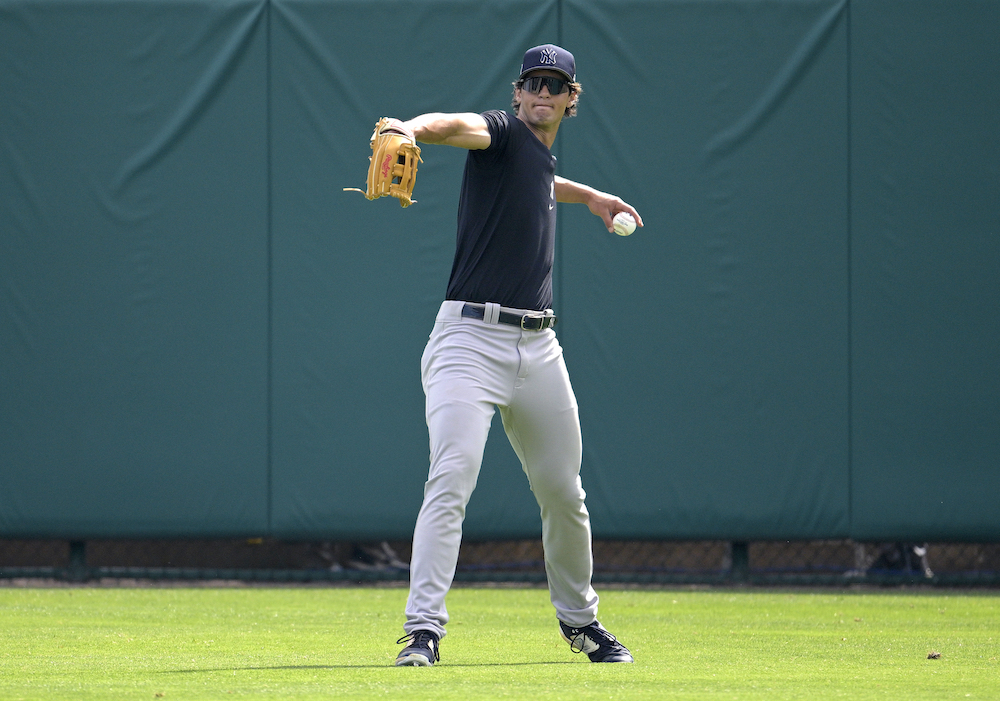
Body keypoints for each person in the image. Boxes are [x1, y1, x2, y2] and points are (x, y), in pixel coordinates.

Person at [391, 44, 643, 667]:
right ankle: (423, 630)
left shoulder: (534, 157)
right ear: (517, 91)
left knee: (564, 492)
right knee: (452, 475)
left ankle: (581, 622)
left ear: (569, 99)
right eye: (532, 81)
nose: (541, 92)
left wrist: (590, 199)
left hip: (539, 347)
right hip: (468, 342)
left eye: (554, 85)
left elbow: (542, 181)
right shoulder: (503, 132)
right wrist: (412, 129)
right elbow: (460, 128)